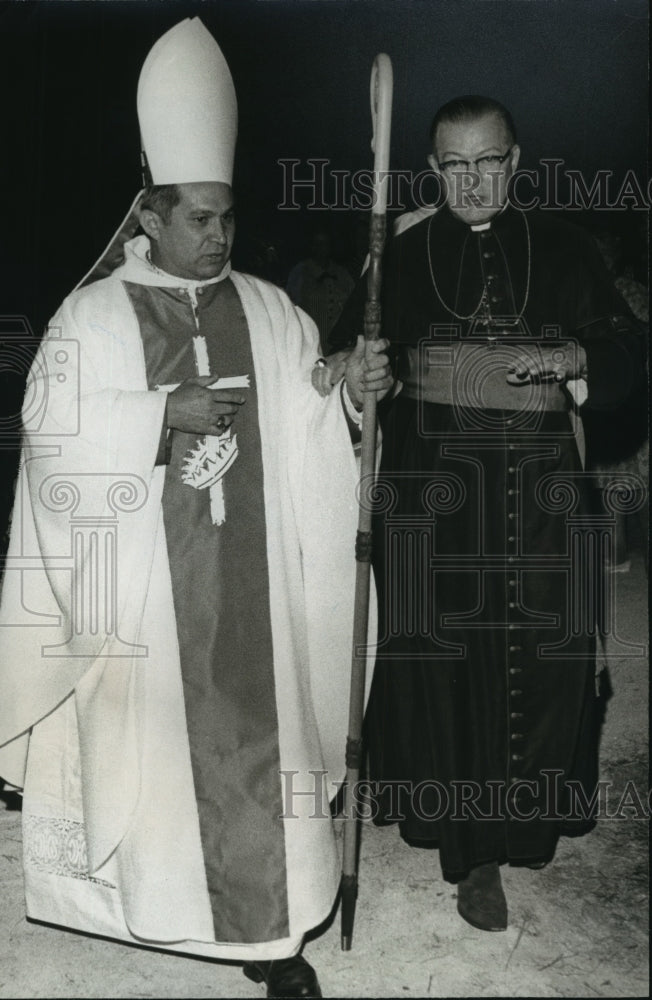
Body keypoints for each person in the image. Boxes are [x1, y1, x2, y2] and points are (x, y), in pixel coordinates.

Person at [0, 20, 391, 999]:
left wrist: (347, 384)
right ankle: (158, 909)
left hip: (256, 602)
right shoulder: (90, 318)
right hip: (146, 608)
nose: (219, 235)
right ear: (151, 214)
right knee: (160, 767)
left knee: (265, 746)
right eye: (198, 218)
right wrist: (155, 413)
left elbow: (313, 419)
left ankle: (271, 939)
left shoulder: (268, 308)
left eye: (227, 216)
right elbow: (49, 431)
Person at [329, 95, 646, 932]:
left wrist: (575, 354)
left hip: (544, 492)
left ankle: (524, 826)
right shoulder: (397, 256)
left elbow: (627, 347)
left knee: (544, 658)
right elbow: (346, 357)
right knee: (451, 663)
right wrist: (358, 377)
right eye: (454, 166)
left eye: (489, 163)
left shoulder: (569, 249)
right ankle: (471, 856)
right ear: (434, 171)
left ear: (516, 161)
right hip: (436, 497)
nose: (473, 181)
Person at [287, 228, 355, 352]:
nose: (321, 248)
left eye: (325, 244)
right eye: (317, 244)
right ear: (312, 246)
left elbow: (352, 304)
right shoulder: (300, 272)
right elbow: (291, 305)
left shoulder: (342, 273)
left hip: (337, 344)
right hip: (310, 341)